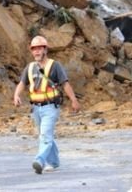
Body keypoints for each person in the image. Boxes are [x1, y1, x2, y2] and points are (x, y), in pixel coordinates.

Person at [13, 35, 81, 174]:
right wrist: (16, 95)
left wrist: (73, 100)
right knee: (46, 135)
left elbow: (65, 84)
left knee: (44, 135)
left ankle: (39, 161)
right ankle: (54, 162)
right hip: (36, 108)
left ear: (45, 50)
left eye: (39, 49)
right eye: (34, 49)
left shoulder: (55, 66)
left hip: (51, 107)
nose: (37, 52)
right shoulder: (30, 67)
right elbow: (22, 83)